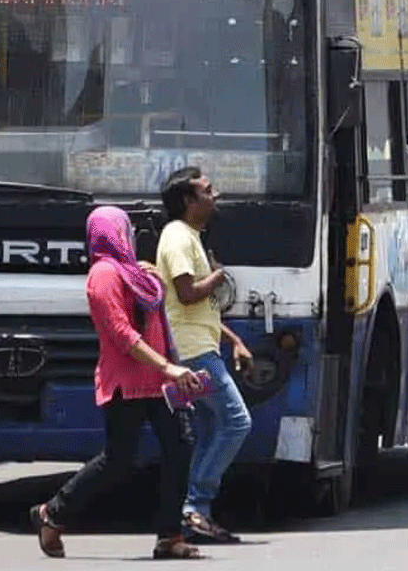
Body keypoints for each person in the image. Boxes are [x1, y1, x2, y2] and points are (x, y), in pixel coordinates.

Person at [29, 206, 204, 561]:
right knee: (118, 460)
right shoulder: (103, 276)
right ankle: (53, 512)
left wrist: (152, 279)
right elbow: (122, 334)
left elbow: (155, 318)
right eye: (125, 229)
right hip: (127, 382)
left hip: (158, 382)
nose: (131, 235)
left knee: (180, 447)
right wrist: (168, 367)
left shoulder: (134, 272)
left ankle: (170, 536)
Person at [156, 166, 252, 545]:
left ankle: (195, 512)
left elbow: (202, 310)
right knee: (236, 421)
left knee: (213, 429)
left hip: (200, 344)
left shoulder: (191, 236)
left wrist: (233, 341)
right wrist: (218, 276)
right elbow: (186, 293)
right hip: (191, 352)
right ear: (187, 201)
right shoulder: (177, 237)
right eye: (207, 191)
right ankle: (195, 505)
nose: (216, 196)